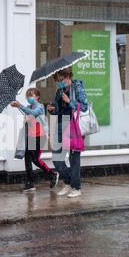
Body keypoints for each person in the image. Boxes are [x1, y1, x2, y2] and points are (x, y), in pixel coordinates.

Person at [47, 68, 89, 198]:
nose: (59, 83)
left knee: (73, 159)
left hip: (74, 125)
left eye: (61, 79)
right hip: (61, 124)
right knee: (57, 157)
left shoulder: (77, 87)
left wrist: (69, 101)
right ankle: (68, 182)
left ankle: (76, 187)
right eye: (57, 81)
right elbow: (57, 110)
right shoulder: (60, 91)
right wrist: (51, 109)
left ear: (68, 76)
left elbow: (84, 106)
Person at [11, 88, 59, 192]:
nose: (29, 98)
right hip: (31, 136)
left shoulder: (40, 107)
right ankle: (30, 183)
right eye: (27, 96)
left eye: (31, 95)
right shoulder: (29, 107)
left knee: (36, 159)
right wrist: (26, 119)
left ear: (37, 97)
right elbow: (29, 116)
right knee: (27, 159)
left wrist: (19, 105)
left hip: (40, 136)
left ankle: (52, 174)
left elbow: (33, 113)